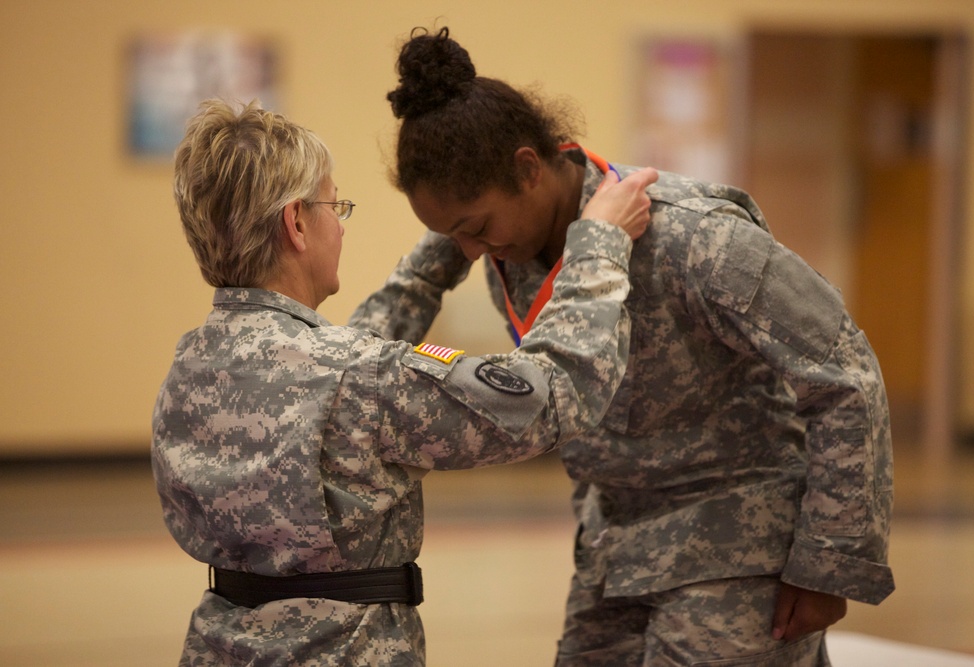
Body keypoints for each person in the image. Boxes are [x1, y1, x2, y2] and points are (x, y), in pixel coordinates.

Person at [382, 27, 895, 666]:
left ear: (527, 167)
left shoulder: (695, 239)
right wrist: (447, 251)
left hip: (737, 541)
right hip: (617, 548)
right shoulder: (509, 251)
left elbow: (846, 378)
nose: (470, 252)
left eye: (477, 226)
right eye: (450, 236)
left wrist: (829, 562)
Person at [151, 98, 658, 666]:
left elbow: (334, 374)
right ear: (296, 223)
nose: (338, 224)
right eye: (332, 205)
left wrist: (439, 255)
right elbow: (554, 396)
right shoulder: (355, 377)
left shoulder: (191, 365)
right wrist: (599, 245)